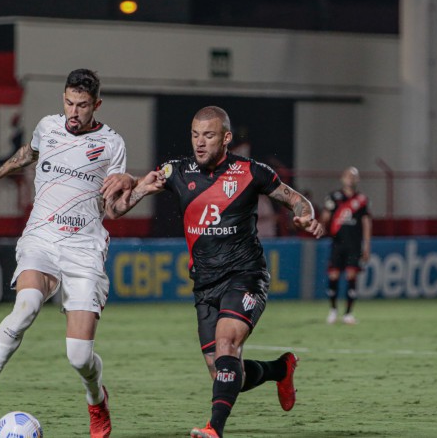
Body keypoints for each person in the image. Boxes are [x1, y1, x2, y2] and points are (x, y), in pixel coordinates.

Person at [101, 105, 325, 438]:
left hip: (246, 276)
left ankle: (213, 429)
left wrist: (305, 216)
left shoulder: (252, 172)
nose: (199, 143)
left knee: (227, 345)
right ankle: (281, 369)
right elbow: (116, 211)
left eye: (208, 135)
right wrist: (134, 188)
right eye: (195, 135)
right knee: (224, 371)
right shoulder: (174, 172)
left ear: (226, 138)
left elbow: (296, 200)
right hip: (205, 286)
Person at [0, 69, 133, 437]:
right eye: (68, 103)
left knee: (79, 357)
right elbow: (28, 153)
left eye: (82, 106)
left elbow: (114, 210)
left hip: (84, 249)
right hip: (42, 239)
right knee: (25, 308)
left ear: (96, 105)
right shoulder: (48, 126)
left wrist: (130, 185)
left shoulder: (112, 144)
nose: (73, 112)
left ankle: (96, 400)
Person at [320, 167, 372, 325]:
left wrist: (367, 245)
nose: (351, 178)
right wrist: (322, 223)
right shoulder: (334, 197)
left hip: (354, 244)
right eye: (348, 175)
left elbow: (366, 222)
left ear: (357, 180)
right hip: (338, 243)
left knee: (351, 276)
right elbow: (326, 217)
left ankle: (348, 313)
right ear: (342, 178)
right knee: (334, 275)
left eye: (354, 176)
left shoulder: (362, 200)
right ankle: (333, 310)